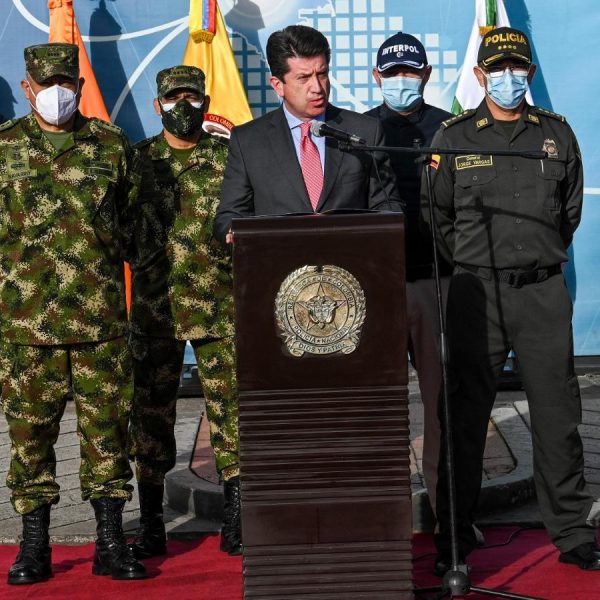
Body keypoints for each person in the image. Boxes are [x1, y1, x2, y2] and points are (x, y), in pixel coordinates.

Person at [424, 27, 599, 575]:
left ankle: (572, 531)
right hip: (477, 296)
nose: (508, 77)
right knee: (465, 418)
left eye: (516, 67)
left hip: (542, 294)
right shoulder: (453, 137)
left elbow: (568, 214)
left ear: (531, 72)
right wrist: (478, 263)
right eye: (497, 68)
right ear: (480, 76)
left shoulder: (556, 134)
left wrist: (535, 260)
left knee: (558, 416)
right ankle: (455, 537)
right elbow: (438, 218)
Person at [2, 43, 146, 584]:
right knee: (30, 440)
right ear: (27, 88)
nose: (57, 91)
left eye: (66, 81)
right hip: (26, 326)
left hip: (99, 324)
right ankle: (33, 547)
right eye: (47, 83)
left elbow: (135, 227)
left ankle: (110, 543)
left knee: (108, 435)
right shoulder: (4, 147)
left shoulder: (110, 145)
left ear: (80, 87)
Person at [128, 65, 241, 558]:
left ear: (205, 102)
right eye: (173, 99)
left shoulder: (230, 157)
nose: (182, 107)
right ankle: (152, 521)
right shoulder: (136, 161)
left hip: (219, 305)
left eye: (191, 98)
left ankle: (237, 515)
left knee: (232, 413)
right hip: (156, 310)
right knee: (151, 417)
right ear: (158, 105)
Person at [367, 32, 452, 517]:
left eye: (410, 71)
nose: (402, 80)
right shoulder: (359, 130)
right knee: (377, 405)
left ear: (426, 74)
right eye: (392, 72)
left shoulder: (450, 129)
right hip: (376, 286)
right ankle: (381, 517)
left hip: (435, 281)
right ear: (376, 76)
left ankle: (447, 516)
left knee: (442, 405)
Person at [214, 24, 402, 243]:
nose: (317, 88)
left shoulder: (365, 131)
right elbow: (229, 215)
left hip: (350, 258)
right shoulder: (248, 141)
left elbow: (387, 204)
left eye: (322, 74)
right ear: (278, 85)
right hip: (278, 259)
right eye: (303, 78)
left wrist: (387, 226)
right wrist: (233, 231)